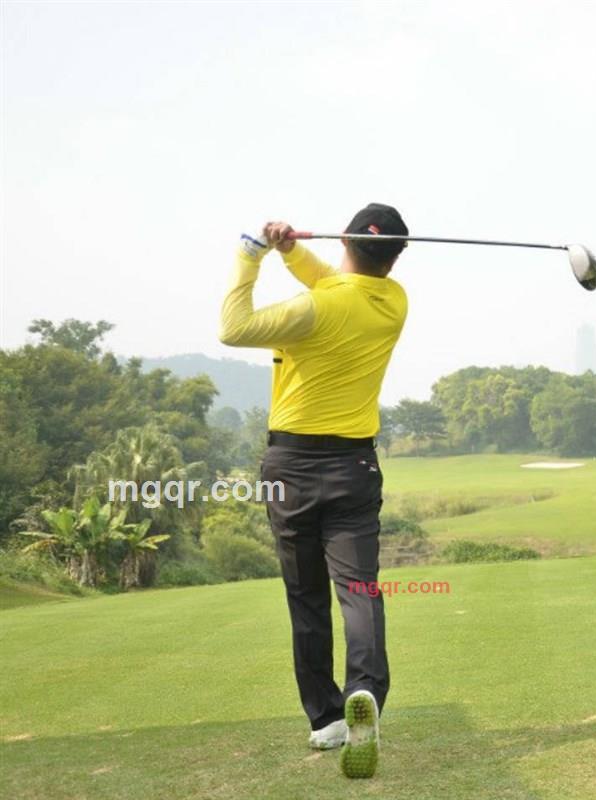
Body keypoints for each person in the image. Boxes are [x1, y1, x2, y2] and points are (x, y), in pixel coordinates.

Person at [219, 203, 409, 779]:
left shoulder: (314, 307)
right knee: (359, 588)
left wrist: (251, 253)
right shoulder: (393, 300)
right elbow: (337, 281)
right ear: (396, 256)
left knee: (305, 596)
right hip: (354, 465)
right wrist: (291, 251)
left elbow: (232, 328)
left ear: (346, 241)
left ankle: (326, 718)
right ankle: (365, 690)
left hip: (291, 466)